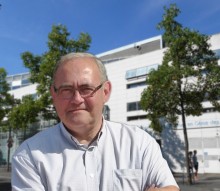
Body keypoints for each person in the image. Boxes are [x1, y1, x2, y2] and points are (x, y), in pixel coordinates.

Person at [11, 52, 179, 191]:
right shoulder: (29, 155)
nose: (77, 99)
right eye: (66, 90)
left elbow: (169, 188)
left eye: (86, 89)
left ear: (105, 92)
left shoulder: (140, 143)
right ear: (53, 95)